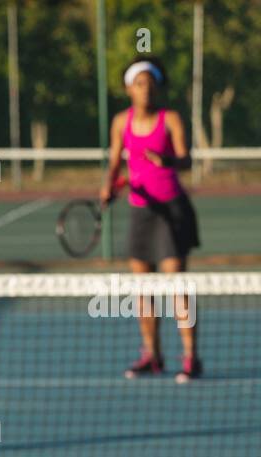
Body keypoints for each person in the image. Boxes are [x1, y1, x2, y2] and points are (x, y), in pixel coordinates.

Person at [102, 55, 203, 383]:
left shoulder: (170, 119)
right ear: (129, 88)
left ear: (157, 88)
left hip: (172, 211)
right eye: (139, 84)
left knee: (178, 288)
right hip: (140, 211)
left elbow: (187, 160)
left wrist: (167, 160)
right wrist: (110, 186)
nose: (145, 89)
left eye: (150, 84)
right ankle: (153, 355)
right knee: (143, 291)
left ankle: (190, 358)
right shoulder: (121, 122)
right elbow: (116, 162)